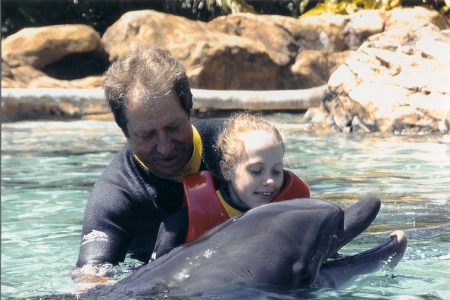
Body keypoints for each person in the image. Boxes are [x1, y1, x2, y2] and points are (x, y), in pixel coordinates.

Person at [74, 44, 226, 282]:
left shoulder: (234, 147)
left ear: (189, 109)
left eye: (173, 127)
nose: (165, 147)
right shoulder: (116, 193)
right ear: (125, 131)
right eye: (147, 135)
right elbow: (89, 280)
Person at [152, 113, 309, 258]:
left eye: (276, 171)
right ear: (227, 170)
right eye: (256, 171)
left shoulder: (291, 213)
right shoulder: (183, 222)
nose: (270, 181)